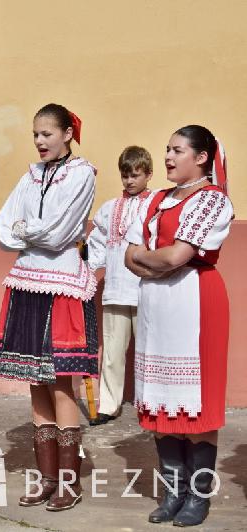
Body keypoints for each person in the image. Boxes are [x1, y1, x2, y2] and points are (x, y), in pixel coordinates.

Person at [124, 125, 232, 527]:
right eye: (166, 149)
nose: (168, 157)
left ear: (201, 157)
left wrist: (151, 260)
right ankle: (173, 493)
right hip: (157, 306)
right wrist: (155, 260)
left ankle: (198, 497)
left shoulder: (212, 201)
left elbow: (177, 257)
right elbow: (129, 255)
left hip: (196, 303)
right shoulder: (154, 200)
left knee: (195, 404)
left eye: (177, 150)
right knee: (159, 397)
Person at [0, 104, 98, 511]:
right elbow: (5, 225)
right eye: (35, 134)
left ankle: (69, 482)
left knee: (60, 379)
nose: (39, 141)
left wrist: (27, 230)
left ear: (67, 134)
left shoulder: (83, 173)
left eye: (47, 134)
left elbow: (58, 234)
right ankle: (47, 479)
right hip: (26, 281)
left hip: (63, 284)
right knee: (34, 379)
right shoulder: (30, 175)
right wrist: (25, 231)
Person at [87, 146, 154, 426]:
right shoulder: (109, 208)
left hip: (146, 289)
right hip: (115, 289)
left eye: (135, 175)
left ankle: (151, 404)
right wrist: (85, 270)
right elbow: (96, 244)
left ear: (148, 175)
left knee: (148, 352)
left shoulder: (158, 205)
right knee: (113, 352)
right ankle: (110, 405)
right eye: (125, 175)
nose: (129, 181)